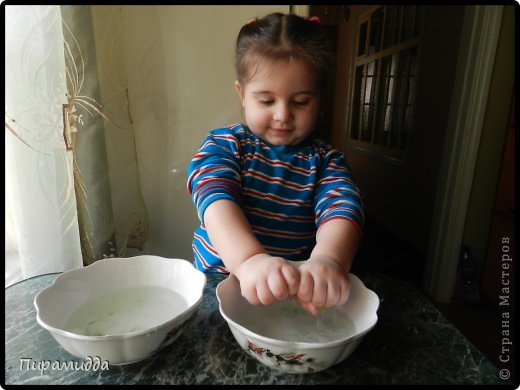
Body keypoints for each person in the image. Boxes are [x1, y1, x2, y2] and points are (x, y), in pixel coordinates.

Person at [187, 12, 364, 316]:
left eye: (300, 102)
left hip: (288, 292)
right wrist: (248, 260)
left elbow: (342, 207)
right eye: (267, 101)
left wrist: (329, 260)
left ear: (318, 100)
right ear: (242, 94)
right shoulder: (227, 145)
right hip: (217, 284)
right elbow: (214, 196)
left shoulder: (325, 161)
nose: (283, 114)